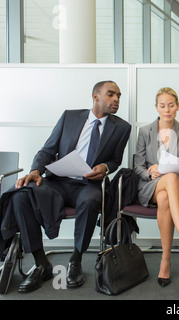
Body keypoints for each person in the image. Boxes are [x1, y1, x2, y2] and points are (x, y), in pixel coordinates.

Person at [0, 80, 131, 292]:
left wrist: (105, 167)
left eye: (119, 95)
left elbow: (116, 160)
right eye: (111, 94)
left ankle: (76, 260)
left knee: (91, 200)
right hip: (58, 181)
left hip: (88, 184)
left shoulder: (122, 127)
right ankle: (41, 263)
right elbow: (47, 149)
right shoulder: (70, 117)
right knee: (20, 195)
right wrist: (35, 171)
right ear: (95, 96)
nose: (116, 99)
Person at [133, 87, 179, 287]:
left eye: (171, 105)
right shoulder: (144, 131)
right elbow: (137, 166)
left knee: (166, 195)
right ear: (156, 107)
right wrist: (149, 173)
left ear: (178, 107)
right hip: (150, 186)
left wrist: (166, 168)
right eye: (162, 105)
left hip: (176, 188)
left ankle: (165, 260)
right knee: (168, 179)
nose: (167, 109)